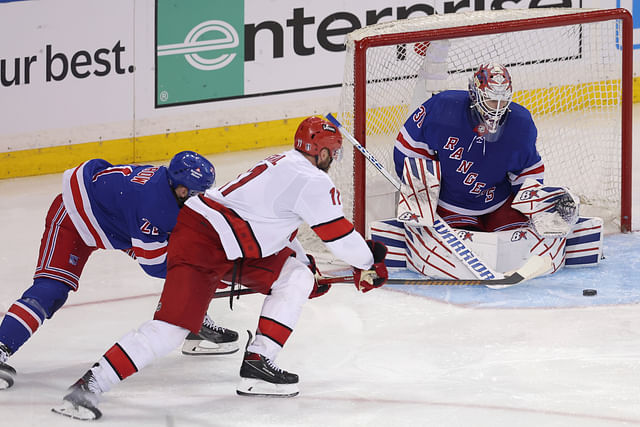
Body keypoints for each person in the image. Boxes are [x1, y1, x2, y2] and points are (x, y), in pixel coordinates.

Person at [51, 116, 389, 421]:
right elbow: (339, 236)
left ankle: (258, 364)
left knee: (296, 277)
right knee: (171, 329)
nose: (334, 160)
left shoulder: (284, 164)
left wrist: (306, 266)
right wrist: (368, 263)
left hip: (226, 239)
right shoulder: (312, 181)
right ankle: (88, 387)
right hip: (203, 241)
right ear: (326, 153)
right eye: (335, 153)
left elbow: (274, 226)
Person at [0, 151, 239, 390]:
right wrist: (212, 274)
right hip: (74, 217)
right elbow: (155, 266)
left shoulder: (169, 189)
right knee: (51, 290)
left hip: (116, 222)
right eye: (195, 194)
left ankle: (191, 320)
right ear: (181, 190)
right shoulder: (155, 206)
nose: (199, 200)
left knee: (185, 258)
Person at [393, 62, 545, 232]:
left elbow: (528, 169)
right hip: (450, 204)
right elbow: (409, 148)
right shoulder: (444, 108)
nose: (497, 107)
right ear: (474, 93)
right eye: (491, 99)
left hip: (499, 202)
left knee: (519, 242)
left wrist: (532, 205)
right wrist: (421, 197)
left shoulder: (521, 123)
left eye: (503, 100)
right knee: (464, 249)